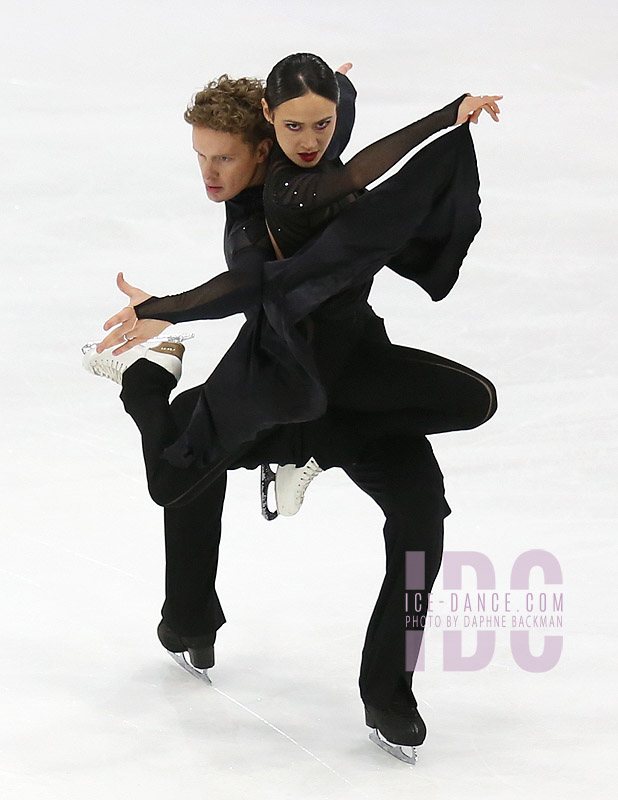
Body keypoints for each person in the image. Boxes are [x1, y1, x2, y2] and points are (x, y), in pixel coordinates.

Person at [84, 61, 499, 759]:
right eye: (201, 157)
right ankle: (188, 612)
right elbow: (244, 285)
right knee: (183, 462)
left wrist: (344, 86)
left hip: (359, 389)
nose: (209, 175)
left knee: (422, 508)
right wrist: (164, 311)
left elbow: (342, 141)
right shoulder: (254, 222)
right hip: (279, 389)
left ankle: (389, 690)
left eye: (223, 158)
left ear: (262, 147)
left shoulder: (303, 165)